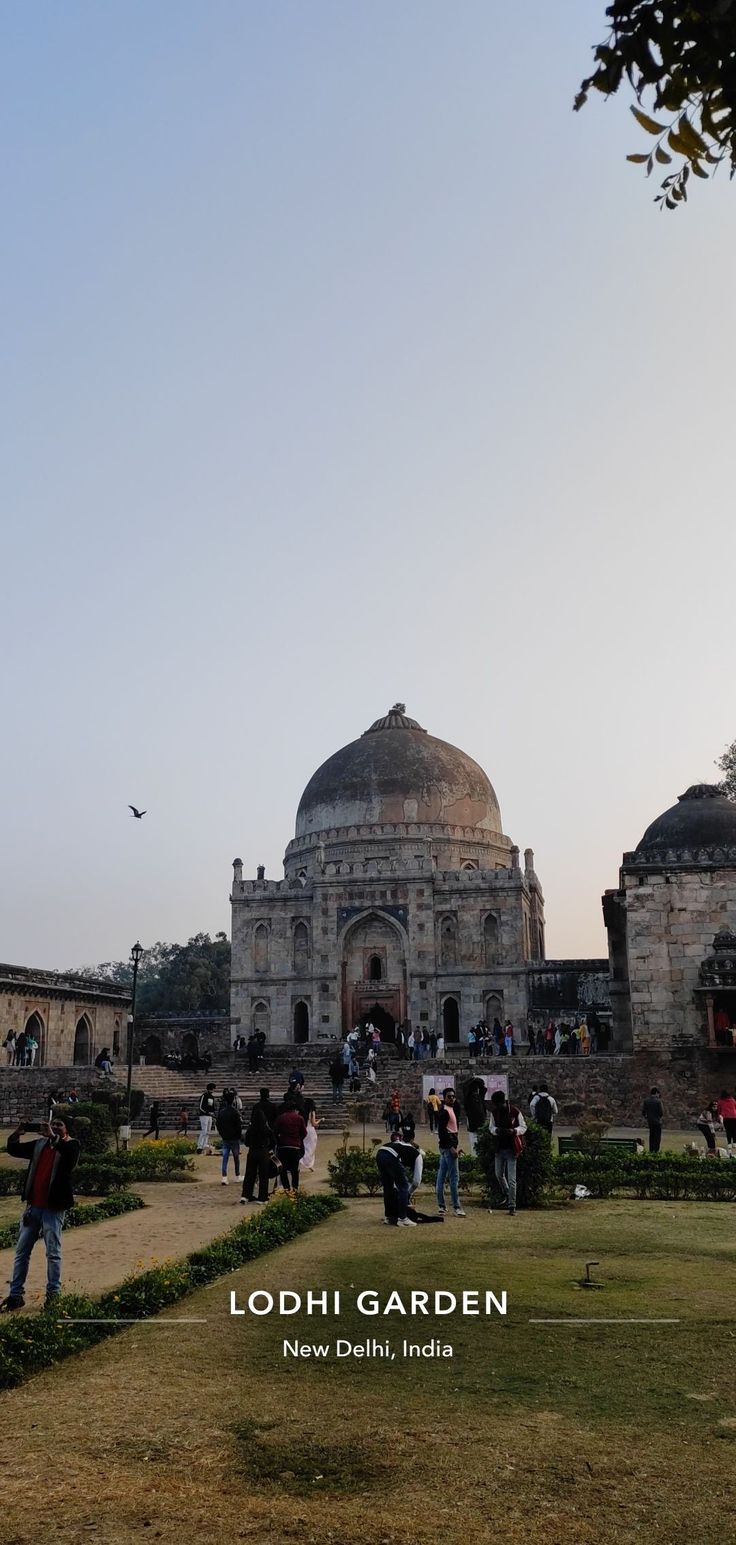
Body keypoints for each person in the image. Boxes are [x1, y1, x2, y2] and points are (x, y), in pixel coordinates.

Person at [1, 1116, 80, 1310]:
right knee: (21, 1252)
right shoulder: (40, 1144)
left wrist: (53, 1137)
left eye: (59, 1125)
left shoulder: (71, 1145)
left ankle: (53, 1295)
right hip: (33, 1207)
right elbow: (15, 1150)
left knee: (53, 1253)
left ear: (67, 1128)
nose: (54, 1127)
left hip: (53, 1209)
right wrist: (16, 1134)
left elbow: (69, 1158)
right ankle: (15, 1295)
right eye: (52, 1124)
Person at [489, 1090, 526, 1216]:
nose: (497, 1107)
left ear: (503, 1102)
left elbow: (523, 1127)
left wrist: (514, 1131)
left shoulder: (515, 1112)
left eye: (498, 1104)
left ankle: (512, 1205)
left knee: (512, 1179)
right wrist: (496, 1131)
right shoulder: (494, 1113)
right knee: (498, 1174)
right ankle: (507, 1192)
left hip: (511, 1148)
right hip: (499, 1148)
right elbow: (491, 1128)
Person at [375, 1134, 417, 1227]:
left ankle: (389, 1217)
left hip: (380, 1153)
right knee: (403, 1186)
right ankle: (402, 1218)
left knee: (388, 1186)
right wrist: (408, 1194)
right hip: (390, 1156)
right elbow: (416, 1181)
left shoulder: (401, 1146)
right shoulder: (417, 1155)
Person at [436, 1088, 465, 1217]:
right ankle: (457, 1207)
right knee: (454, 1178)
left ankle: (441, 1206)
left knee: (441, 1177)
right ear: (444, 1098)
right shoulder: (445, 1112)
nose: (452, 1098)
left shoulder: (451, 1109)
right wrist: (452, 1147)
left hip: (447, 1146)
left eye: (453, 1096)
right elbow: (442, 1132)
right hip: (448, 1147)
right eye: (449, 1096)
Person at [241, 1103, 274, 1204]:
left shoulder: (251, 1129)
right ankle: (262, 1197)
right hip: (263, 1151)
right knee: (263, 1175)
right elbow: (273, 1141)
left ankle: (246, 1195)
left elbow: (246, 1142)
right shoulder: (266, 1129)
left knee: (250, 1174)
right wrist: (269, 1148)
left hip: (252, 1151)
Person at [274, 1095, 307, 1192]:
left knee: (282, 1169)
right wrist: (298, 1140)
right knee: (294, 1169)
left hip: (283, 1146)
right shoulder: (299, 1118)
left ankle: (286, 1187)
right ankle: (295, 1188)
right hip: (295, 1146)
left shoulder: (281, 1118)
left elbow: (275, 1131)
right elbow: (304, 1133)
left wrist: (279, 1141)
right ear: (295, 1109)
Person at [216, 1091, 243, 1184]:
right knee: (236, 1157)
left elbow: (218, 1124)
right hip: (234, 1138)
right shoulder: (235, 1112)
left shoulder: (222, 1112)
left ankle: (224, 1177)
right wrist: (239, 1136)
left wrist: (222, 1134)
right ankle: (237, 1175)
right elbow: (238, 1126)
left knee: (225, 1157)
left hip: (225, 1137)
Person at [462, 1073, 488, 1155]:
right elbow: (464, 1086)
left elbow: (483, 1089)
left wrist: (476, 1080)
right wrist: (473, 1080)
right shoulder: (468, 1099)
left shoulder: (479, 1097)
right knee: (474, 1146)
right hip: (473, 1125)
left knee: (479, 1146)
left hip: (480, 1124)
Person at [642, 1087, 664, 1153]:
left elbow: (643, 1112)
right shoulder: (658, 1101)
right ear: (656, 1093)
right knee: (657, 1137)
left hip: (650, 1121)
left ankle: (651, 1149)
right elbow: (661, 1112)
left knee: (651, 1136)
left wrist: (647, 1117)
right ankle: (656, 1150)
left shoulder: (646, 1101)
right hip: (657, 1121)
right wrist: (659, 1117)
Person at [299, 1106, 320, 1173]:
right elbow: (314, 1123)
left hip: (303, 1129)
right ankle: (307, 1163)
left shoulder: (302, 1111)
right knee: (311, 1148)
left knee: (304, 1146)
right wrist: (319, 1121)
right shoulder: (311, 1112)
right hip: (310, 1130)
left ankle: (305, 1163)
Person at [716, 1089, 736, 1156]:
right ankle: (735, 1143)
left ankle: (729, 1143)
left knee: (728, 1130)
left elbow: (718, 1109)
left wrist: (719, 1115)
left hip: (726, 1117)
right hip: (734, 1116)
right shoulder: (732, 1100)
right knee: (734, 1130)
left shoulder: (721, 1101)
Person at [197, 1083, 217, 1153]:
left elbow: (211, 1107)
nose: (214, 1090)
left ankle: (205, 1144)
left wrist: (213, 1114)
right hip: (204, 1115)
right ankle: (199, 1146)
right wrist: (207, 1112)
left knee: (208, 1131)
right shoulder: (204, 1095)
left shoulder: (211, 1097)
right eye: (213, 1088)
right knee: (204, 1131)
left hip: (209, 1116)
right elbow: (201, 1107)